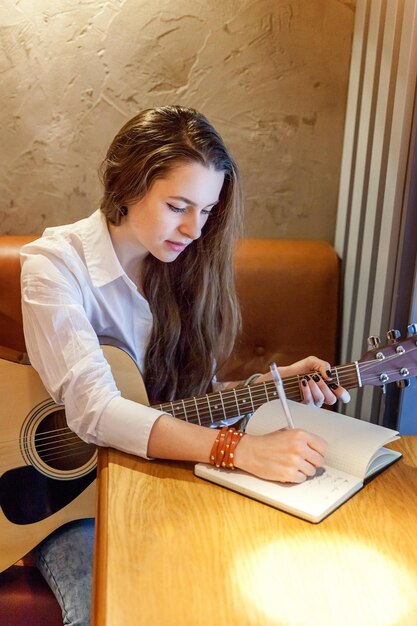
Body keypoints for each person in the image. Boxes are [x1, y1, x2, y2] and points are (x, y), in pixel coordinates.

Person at [20, 105, 350, 626]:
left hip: (154, 472)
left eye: (208, 210)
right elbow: (97, 412)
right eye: (178, 206)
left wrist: (267, 387)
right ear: (127, 185)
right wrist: (238, 449)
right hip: (53, 499)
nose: (195, 229)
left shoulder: (185, 267)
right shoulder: (54, 268)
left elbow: (172, 400)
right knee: (112, 609)